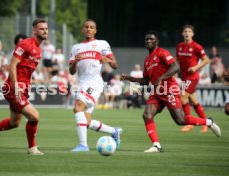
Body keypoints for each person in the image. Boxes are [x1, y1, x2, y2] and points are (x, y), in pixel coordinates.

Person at [121, 30, 221, 153]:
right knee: (147, 115)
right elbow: (146, 81)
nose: (148, 41)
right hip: (157, 93)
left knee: (180, 120)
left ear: (156, 41)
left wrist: (161, 78)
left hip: (169, 90)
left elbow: (175, 66)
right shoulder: (147, 60)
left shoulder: (162, 52)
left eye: (151, 39)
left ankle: (209, 122)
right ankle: (156, 145)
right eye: (147, 39)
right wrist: (129, 78)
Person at [0, 19, 49, 155]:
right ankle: (32, 148)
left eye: (46, 29)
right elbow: (13, 64)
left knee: (14, 123)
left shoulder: (39, 50)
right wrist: (16, 85)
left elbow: (25, 69)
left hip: (23, 88)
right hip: (13, 88)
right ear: (34, 30)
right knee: (35, 116)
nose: (45, 31)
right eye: (41, 29)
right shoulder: (25, 44)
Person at [69, 19, 122, 152]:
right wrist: (75, 62)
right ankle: (114, 131)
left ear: (95, 30)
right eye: (86, 27)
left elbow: (115, 65)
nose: (88, 29)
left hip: (94, 82)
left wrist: (107, 60)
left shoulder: (102, 44)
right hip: (81, 83)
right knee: (85, 122)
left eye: (91, 27)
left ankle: (83, 145)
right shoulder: (76, 48)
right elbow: (71, 71)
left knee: (78, 108)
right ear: (82, 29)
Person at [176, 25, 211, 133]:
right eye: (185, 31)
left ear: (193, 34)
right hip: (184, 77)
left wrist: (195, 67)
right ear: (182, 33)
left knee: (182, 99)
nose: (187, 33)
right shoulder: (180, 46)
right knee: (194, 101)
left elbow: (206, 60)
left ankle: (189, 124)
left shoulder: (196, 46)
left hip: (193, 77)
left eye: (189, 31)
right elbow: (177, 60)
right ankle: (206, 123)